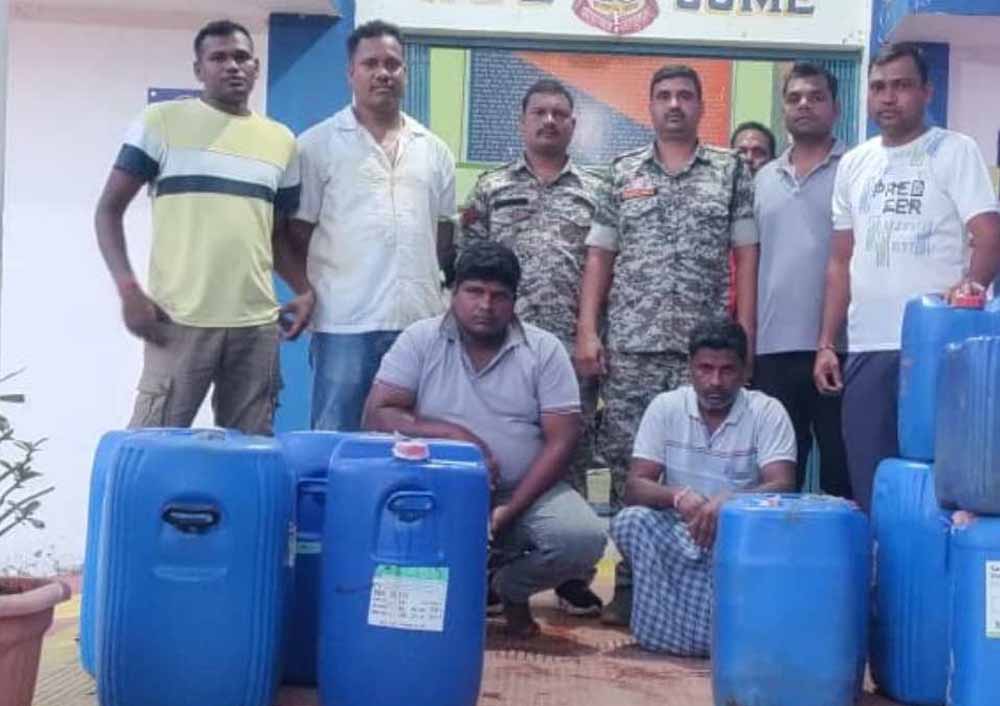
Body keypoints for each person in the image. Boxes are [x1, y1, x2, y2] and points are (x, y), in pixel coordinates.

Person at [576, 64, 758, 625]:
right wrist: (588, 329)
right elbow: (600, 254)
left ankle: (697, 586)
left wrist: (745, 338)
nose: (674, 104)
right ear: (650, 105)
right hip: (632, 347)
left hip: (706, 356)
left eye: (684, 96)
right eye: (664, 96)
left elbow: (746, 255)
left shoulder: (730, 171)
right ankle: (630, 585)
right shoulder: (621, 171)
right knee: (629, 467)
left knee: (698, 471)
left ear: (701, 106)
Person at [363, 241, 607, 639]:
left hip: (522, 492)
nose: (486, 305)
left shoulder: (544, 349)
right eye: (474, 291)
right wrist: (459, 439)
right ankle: (462, 591)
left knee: (582, 539)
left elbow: (562, 441)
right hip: (438, 490)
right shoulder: (419, 339)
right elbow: (378, 414)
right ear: (453, 292)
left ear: (514, 300)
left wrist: (509, 509)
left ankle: (507, 587)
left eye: (499, 296)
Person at [95, 19, 311, 435]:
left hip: (256, 327)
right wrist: (128, 290)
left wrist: (303, 289)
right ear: (199, 69)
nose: (232, 66)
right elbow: (107, 211)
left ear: (256, 67)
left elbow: (276, 234)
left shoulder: (281, 141)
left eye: (241, 57)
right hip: (178, 322)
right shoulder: (161, 122)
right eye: (218, 58)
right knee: (152, 445)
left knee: (248, 453)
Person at [814, 43, 1000, 512]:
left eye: (901, 86)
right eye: (878, 87)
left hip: (937, 344)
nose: (888, 97)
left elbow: (989, 234)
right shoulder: (854, 163)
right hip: (868, 346)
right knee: (872, 482)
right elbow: (840, 260)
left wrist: (972, 287)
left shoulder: (955, 150)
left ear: (926, 92)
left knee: (941, 482)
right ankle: (880, 561)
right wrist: (826, 343)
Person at [459, 79, 606, 617]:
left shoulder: (597, 190)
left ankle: (570, 574)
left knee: (572, 452)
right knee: (501, 448)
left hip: (570, 348)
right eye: (539, 112)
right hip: (501, 347)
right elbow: (467, 266)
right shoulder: (490, 187)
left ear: (573, 125)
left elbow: (606, 268)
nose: (549, 121)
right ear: (522, 121)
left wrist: (593, 334)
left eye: (560, 114)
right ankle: (493, 564)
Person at [290, 19, 457, 432]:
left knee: (412, 443)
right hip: (344, 323)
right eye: (371, 64)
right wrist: (307, 290)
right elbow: (296, 234)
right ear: (351, 73)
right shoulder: (316, 145)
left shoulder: (434, 150)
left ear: (405, 73)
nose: (383, 73)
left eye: (392, 64)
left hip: (418, 325)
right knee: (336, 439)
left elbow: (444, 235)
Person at [610, 318, 795, 655]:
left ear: (745, 371)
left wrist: (731, 502)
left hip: (739, 539)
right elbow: (635, 487)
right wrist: (677, 496)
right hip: (682, 533)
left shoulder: (767, 412)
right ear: (690, 368)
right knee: (630, 522)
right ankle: (690, 637)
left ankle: (685, 638)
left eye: (727, 370)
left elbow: (783, 485)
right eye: (705, 369)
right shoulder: (666, 407)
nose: (715, 382)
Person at [752, 62, 851, 498]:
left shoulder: (857, 169)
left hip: (842, 348)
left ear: (836, 107)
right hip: (773, 350)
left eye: (816, 96)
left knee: (842, 472)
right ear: (784, 110)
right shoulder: (762, 179)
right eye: (794, 98)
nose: (804, 105)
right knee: (779, 478)